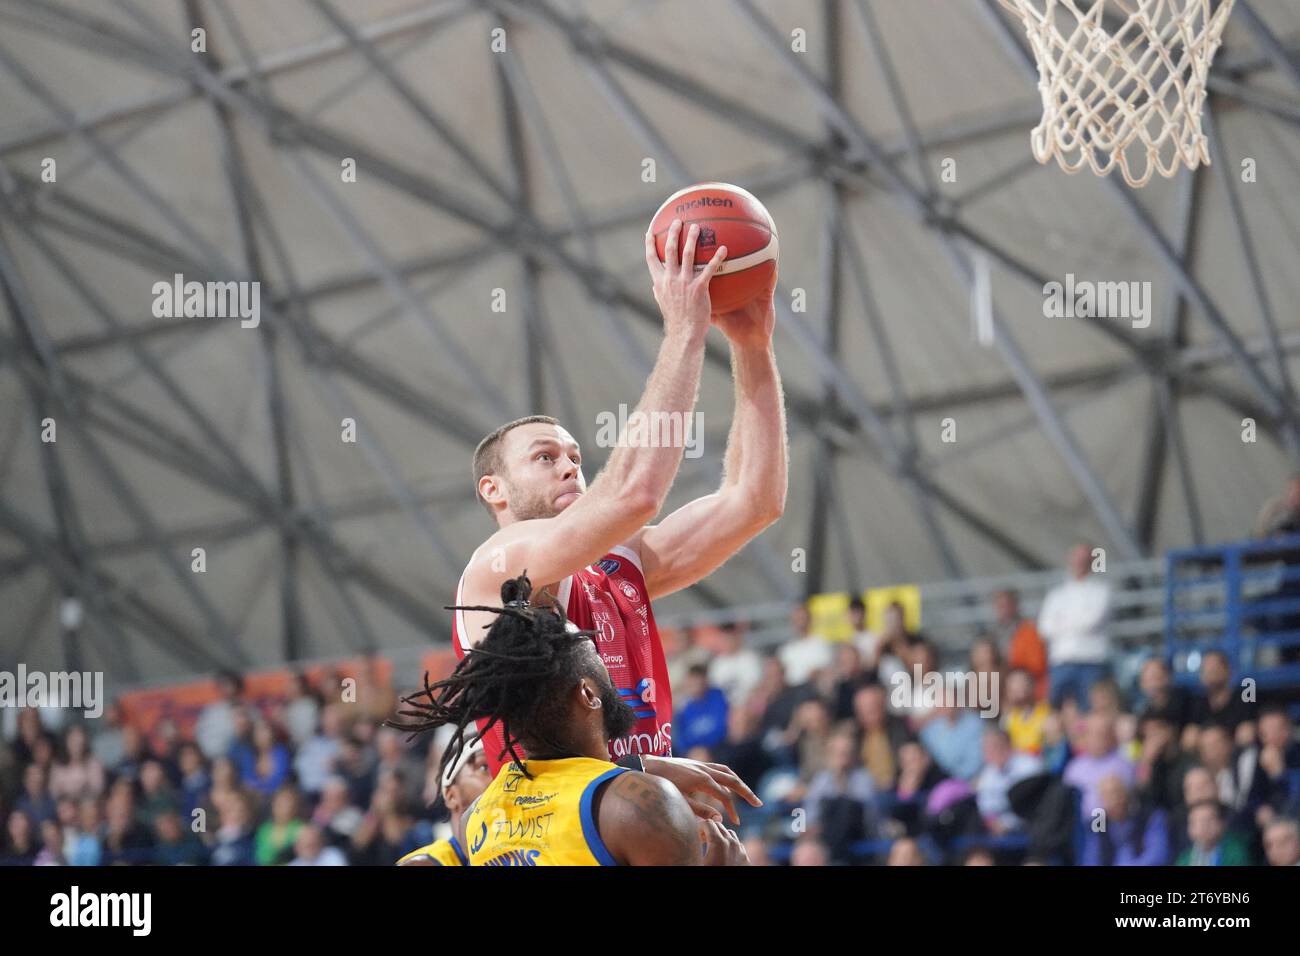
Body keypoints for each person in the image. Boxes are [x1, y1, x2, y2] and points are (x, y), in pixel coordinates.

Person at [451, 218, 787, 809]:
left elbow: (754, 500)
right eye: (545, 456)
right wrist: (686, 329)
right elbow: (635, 492)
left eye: (577, 456)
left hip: (636, 809)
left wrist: (752, 346)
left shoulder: (619, 564)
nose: (570, 467)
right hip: (549, 824)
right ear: (494, 490)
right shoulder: (498, 569)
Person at [395, 574, 752, 865]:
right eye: (594, 651)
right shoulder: (640, 807)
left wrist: (634, 765)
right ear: (588, 694)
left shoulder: (477, 818)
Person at [1037, 542, 1112, 711]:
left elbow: (1092, 621)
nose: (1080, 562)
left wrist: (1062, 622)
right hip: (1061, 661)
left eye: (1084, 557)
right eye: (1077, 557)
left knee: (1090, 710)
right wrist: (1077, 621)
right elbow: (1044, 628)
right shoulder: (1056, 594)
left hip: (1091, 661)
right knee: (1056, 710)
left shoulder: (1101, 590)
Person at [396, 739, 491, 867]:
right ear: (451, 795)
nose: (501, 775)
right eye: (485, 767)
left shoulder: (520, 851)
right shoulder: (422, 864)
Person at [1079, 774, 1170, 866]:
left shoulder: (1150, 815)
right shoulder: (1099, 821)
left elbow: (1157, 856)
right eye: (1107, 796)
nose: (1114, 799)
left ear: (1127, 793)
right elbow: (1092, 859)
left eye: (1117, 792)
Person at [993, 589, 1047, 701]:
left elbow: (1036, 664)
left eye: (1006, 605)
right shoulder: (994, 633)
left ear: (1015, 606)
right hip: (1002, 681)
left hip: (1026, 679)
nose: (1003, 610)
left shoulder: (1028, 630)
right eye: (1000, 606)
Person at [1177, 800, 1252, 866]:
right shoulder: (1184, 859)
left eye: (1208, 821)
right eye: (1196, 822)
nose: (1203, 827)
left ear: (1221, 824)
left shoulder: (1235, 853)